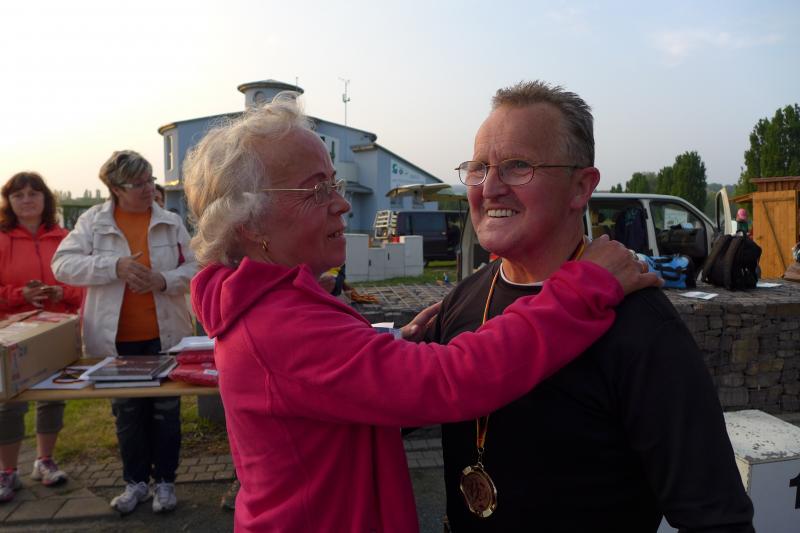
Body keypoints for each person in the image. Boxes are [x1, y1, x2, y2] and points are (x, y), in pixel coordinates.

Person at [182, 93, 658, 532]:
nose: (342, 204)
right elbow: (453, 380)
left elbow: (327, 391)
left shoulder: (266, 306)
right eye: (316, 190)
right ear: (248, 223)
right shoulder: (280, 324)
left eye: (335, 184)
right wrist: (584, 288)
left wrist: (388, 348)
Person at [430, 81, 754, 532]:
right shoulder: (462, 301)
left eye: (518, 166)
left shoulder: (642, 325)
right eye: (479, 168)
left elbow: (717, 519)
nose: (490, 187)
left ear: (580, 187)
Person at [51, 151, 198, 515]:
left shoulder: (170, 222)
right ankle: (136, 483)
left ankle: (165, 483)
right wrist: (112, 266)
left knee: (167, 414)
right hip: (116, 341)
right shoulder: (93, 222)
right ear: (115, 188)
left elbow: (198, 268)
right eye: (139, 183)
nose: (149, 188)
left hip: (166, 338)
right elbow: (62, 265)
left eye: (150, 180)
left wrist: (163, 280)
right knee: (128, 416)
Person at [0, 172, 83, 503]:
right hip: (11, 334)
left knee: (52, 398)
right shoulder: (1, 238)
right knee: (9, 404)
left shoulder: (66, 238)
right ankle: (8, 471)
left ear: (46, 199)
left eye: (34, 193)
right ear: (8, 202)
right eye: (18, 195)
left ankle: (45, 460)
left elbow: (84, 287)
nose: (26, 200)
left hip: (56, 330)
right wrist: (19, 295)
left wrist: (60, 292)